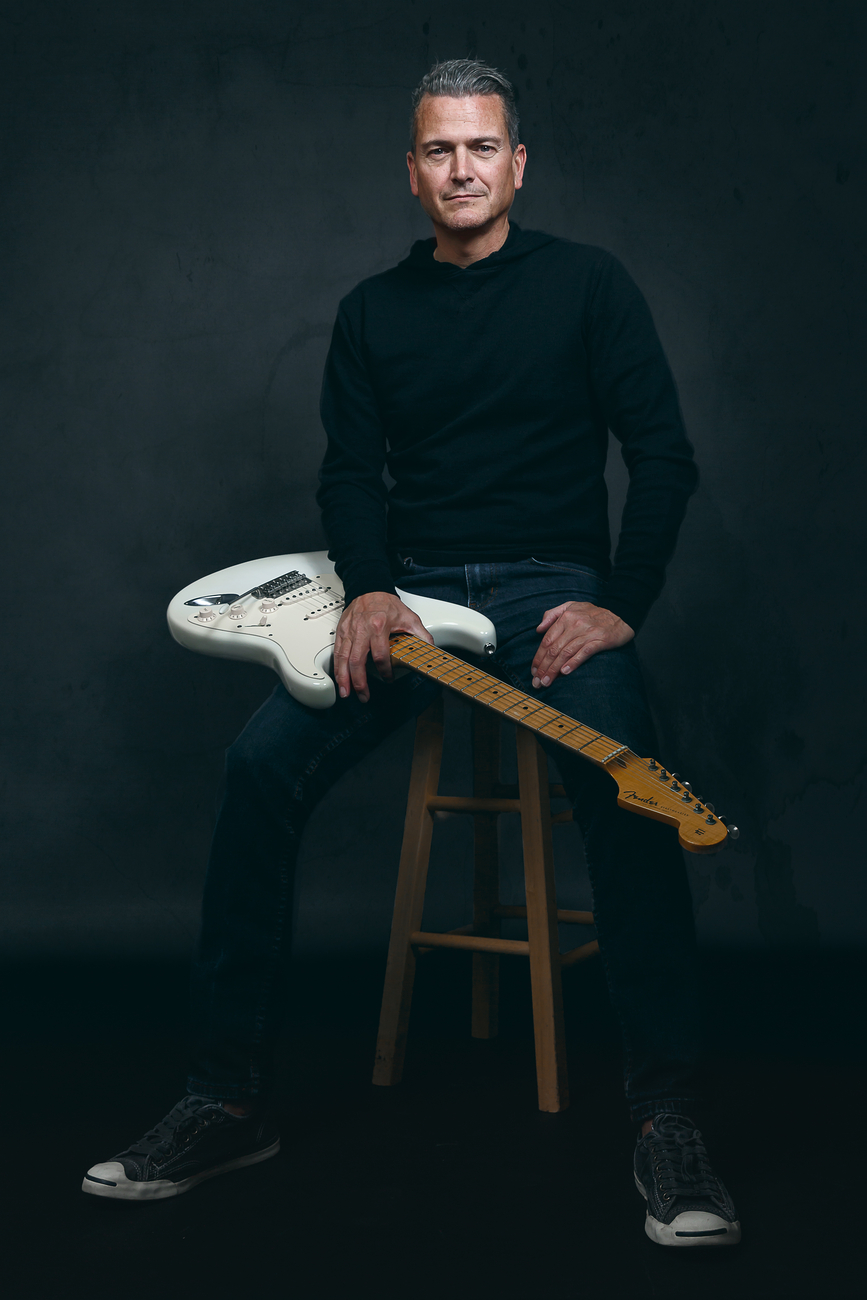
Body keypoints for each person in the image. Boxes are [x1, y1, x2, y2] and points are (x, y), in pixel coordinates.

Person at [82, 59, 740, 1247]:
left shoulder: (590, 286)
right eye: (440, 150)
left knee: (626, 779)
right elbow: (350, 475)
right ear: (412, 170)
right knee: (256, 770)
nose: (462, 169)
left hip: (552, 592)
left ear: (518, 164)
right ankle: (226, 1100)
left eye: (482, 147)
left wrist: (620, 605)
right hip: (411, 596)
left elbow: (663, 456)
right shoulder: (370, 312)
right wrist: (373, 590)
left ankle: (669, 1121)